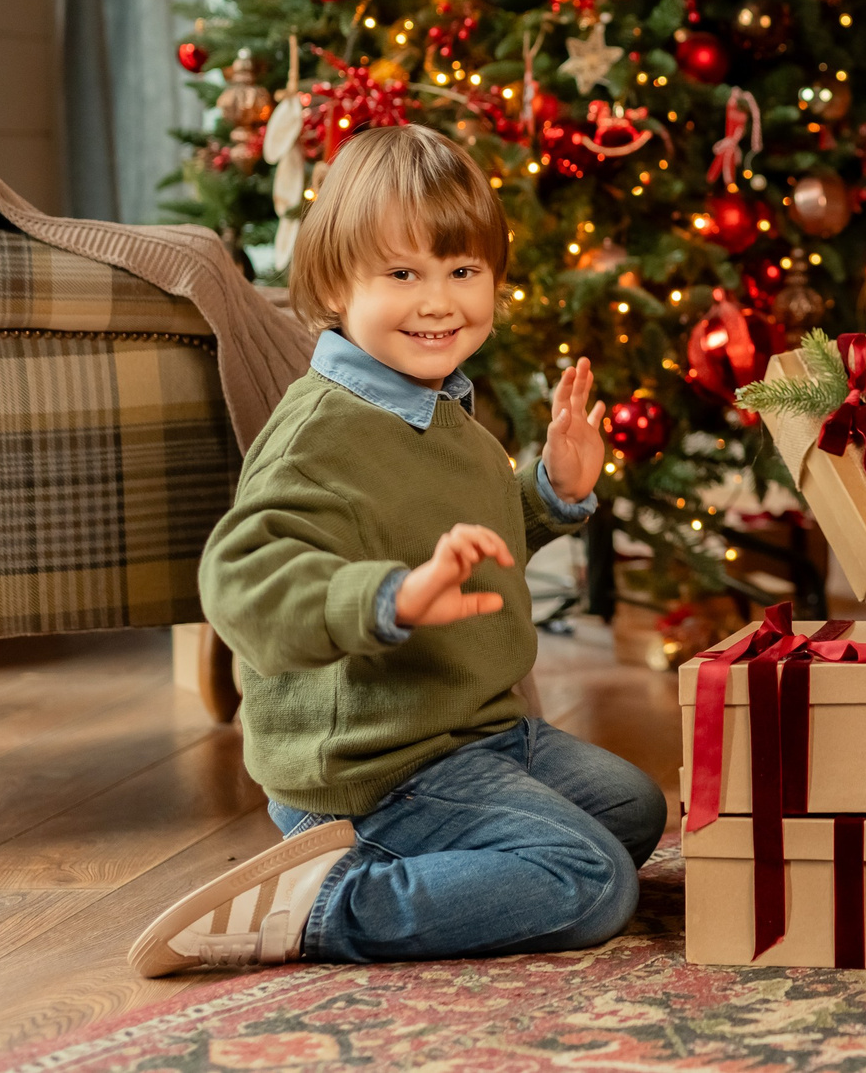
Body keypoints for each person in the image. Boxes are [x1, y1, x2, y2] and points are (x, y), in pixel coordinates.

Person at [129, 125, 665, 976]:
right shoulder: (319, 434)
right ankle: (327, 902)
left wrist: (552, 491)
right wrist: (387, 599)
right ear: (336, 285)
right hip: (377, 767)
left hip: (477, 733)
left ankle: (417, 869)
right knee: (592, 879)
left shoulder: (437, 405)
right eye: (402, 273)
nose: (439, 302)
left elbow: (468, 561)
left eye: (462, 271)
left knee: (634, 811)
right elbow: (238, 581)